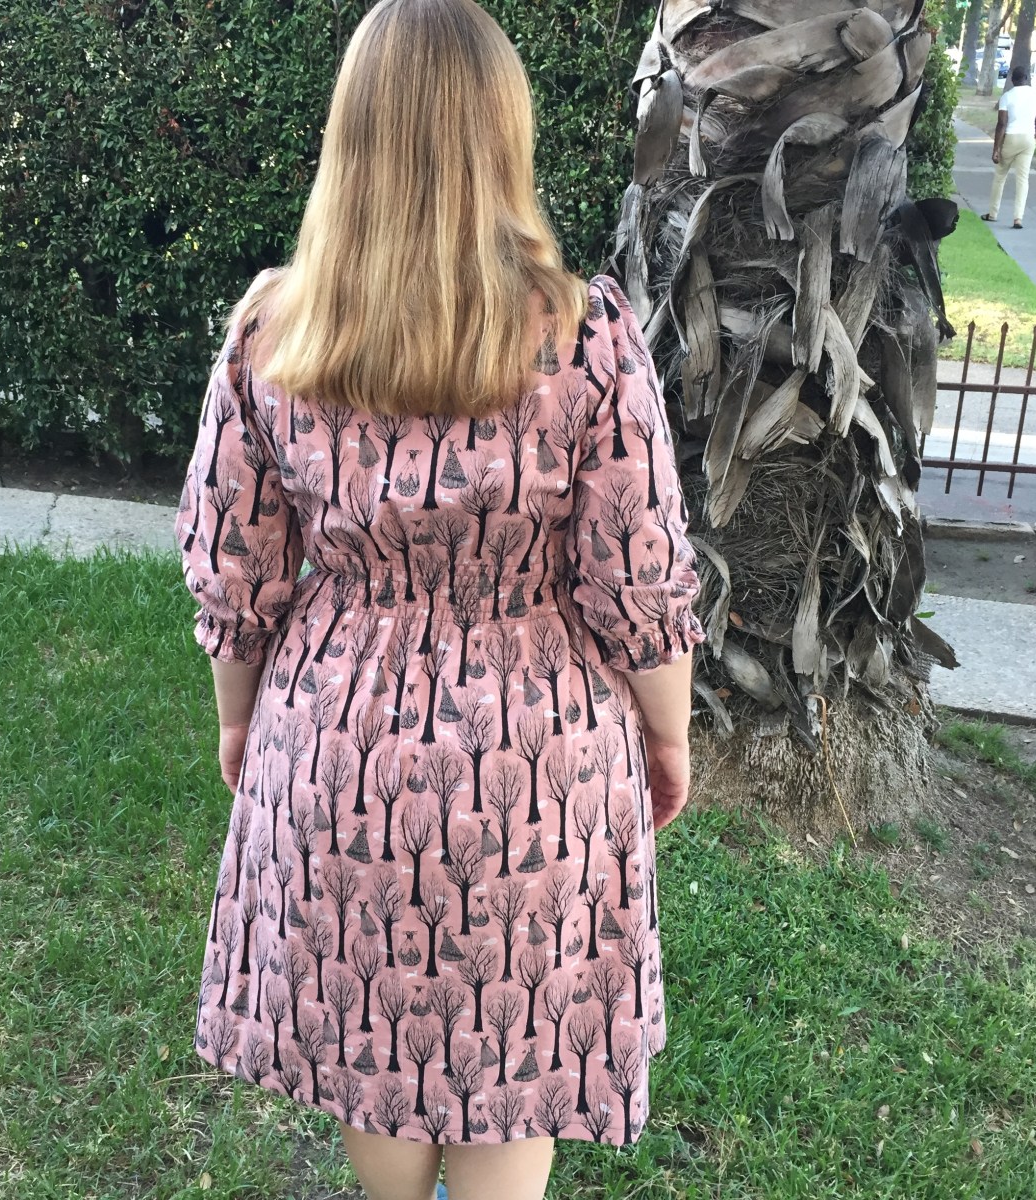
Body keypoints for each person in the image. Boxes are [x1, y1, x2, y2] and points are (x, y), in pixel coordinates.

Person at [174, 2, 705, 1197]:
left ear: (350, 136)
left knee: (376, 1034)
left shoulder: (276, 328)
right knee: (515, 1051)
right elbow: (637, 569)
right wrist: (667, 734)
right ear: (503, 137)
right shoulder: (584, 335)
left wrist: (237, 716)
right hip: (540, 752)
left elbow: (234, 561)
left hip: (337, 739)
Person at [983, 64, 1036, 229]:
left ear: (1012, 79)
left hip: (1011, 137)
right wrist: (1033, 137)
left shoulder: (1007, 96)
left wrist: (996, 149)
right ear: (1027, 78)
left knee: (1000, 176)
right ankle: (1018, 218)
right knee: (1023, 179)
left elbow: (1001, 124)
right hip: (1028, 138)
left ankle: (993, 213)